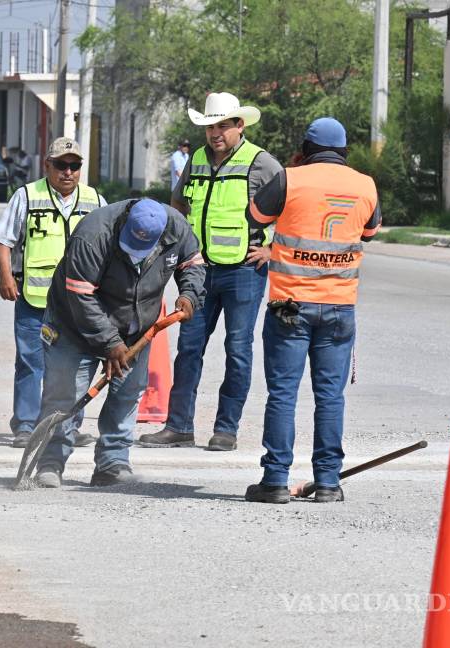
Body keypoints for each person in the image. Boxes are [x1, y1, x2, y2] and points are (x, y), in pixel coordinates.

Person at [243, 117, 380, 504]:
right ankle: (328, 483)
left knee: (283, 394)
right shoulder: (365, 184)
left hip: (290, 306)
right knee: (330, 397)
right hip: (338, 307)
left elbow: (255, 217)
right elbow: (370, 231)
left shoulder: (290, 178)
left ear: (305, 147)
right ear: (344, 151)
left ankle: (274, 481)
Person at [137, 92, 283, 452]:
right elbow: (177, 201)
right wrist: (179, 243)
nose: (215, 133)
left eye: (222, 125)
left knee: (238, 349)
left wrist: (272, 249)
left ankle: (226, 428)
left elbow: (292, 209)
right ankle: (179, 426)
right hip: (199, 272)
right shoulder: (197, 159)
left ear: (239, 125)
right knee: (188, 349)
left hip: (243, 272)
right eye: (209, 126)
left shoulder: (262, 163)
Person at [33, 198, 205, 488]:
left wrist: (189, 294)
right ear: (124, 224)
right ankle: (50, 462)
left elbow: (193, 264)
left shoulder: (176, 227)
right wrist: (110, 343)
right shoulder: (93, 235)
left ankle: (112, 462)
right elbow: (80, 297)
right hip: (75, 325)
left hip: (136, 327)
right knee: (65, 395)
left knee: (126, 394)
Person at [0, 137, 106, 449]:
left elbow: (110, 247)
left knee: (74, 366)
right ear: (48, 166)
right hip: (34, 298)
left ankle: (66, 425)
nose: (68, 172)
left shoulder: (95, 200)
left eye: (75, 166)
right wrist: (5, 277)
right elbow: (4, 240)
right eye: (61, 165)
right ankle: (27, 426)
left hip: (79, 302)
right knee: (31, 363)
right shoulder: (27, 196)